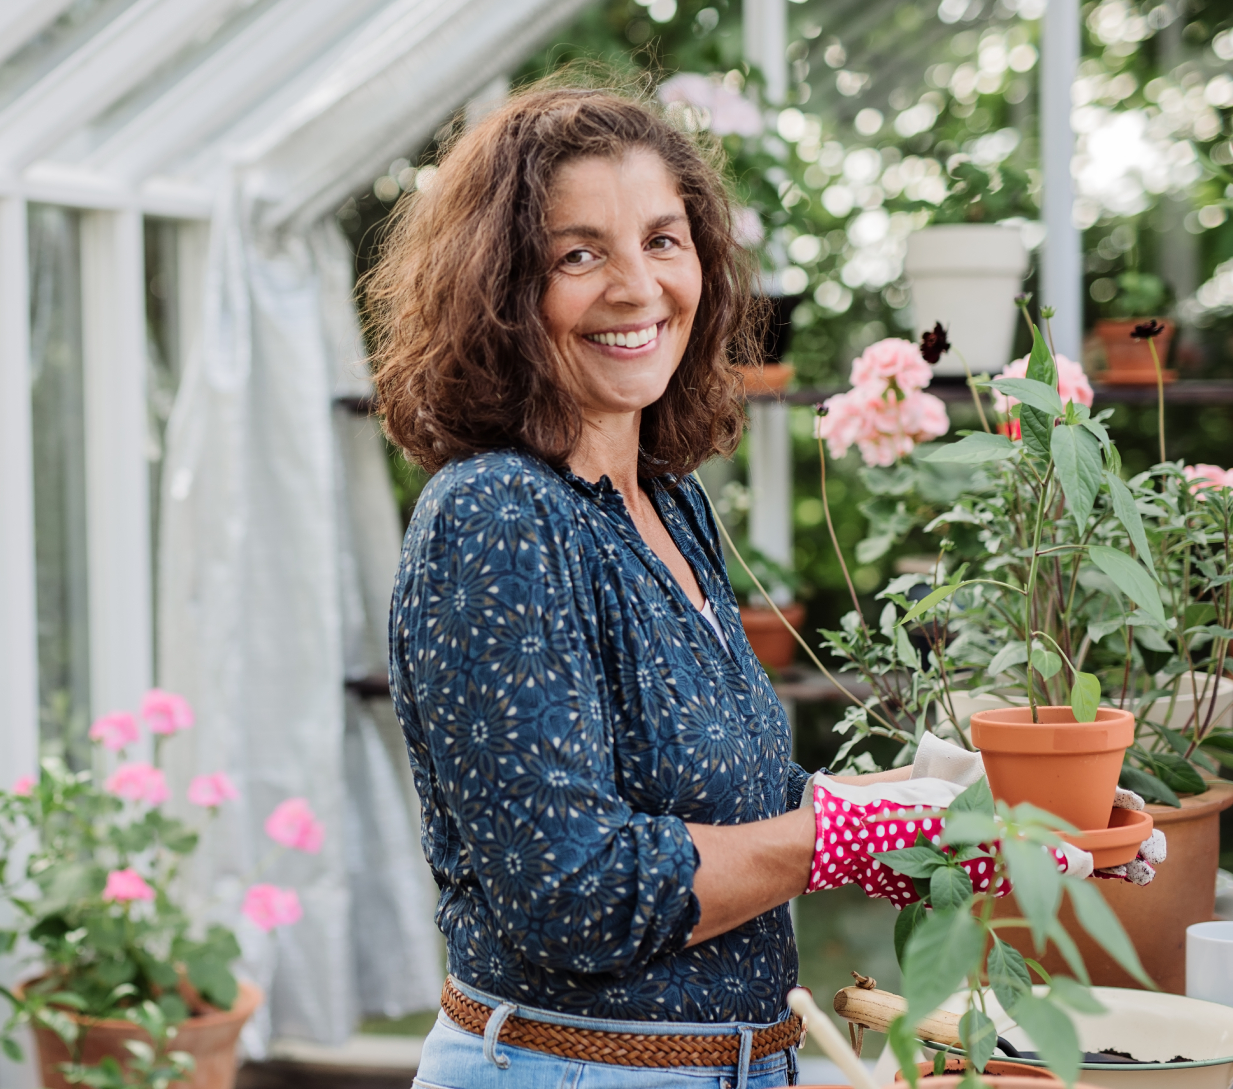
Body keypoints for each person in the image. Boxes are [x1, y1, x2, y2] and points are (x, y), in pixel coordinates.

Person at [368, 84, 924, 1089]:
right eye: (578, 254)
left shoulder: (666, 502)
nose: (636, 287)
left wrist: (958, 810)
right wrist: (841, 839)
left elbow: (733, 809)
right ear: (500, 290)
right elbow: (570, 888)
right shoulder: (497, 512)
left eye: (662, 241)